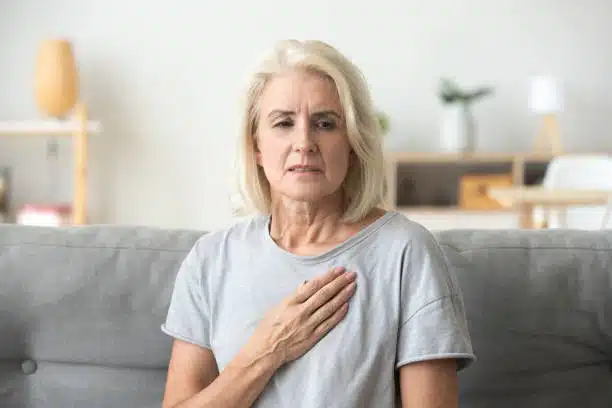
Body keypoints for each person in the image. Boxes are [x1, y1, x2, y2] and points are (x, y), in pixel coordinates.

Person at [160, 39, 475, 408]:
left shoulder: (406, 252)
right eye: (283, 123)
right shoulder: (210, 259)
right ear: (256, 145)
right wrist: (266, 351)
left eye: (325, 124)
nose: (304, 142)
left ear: (353, 143)